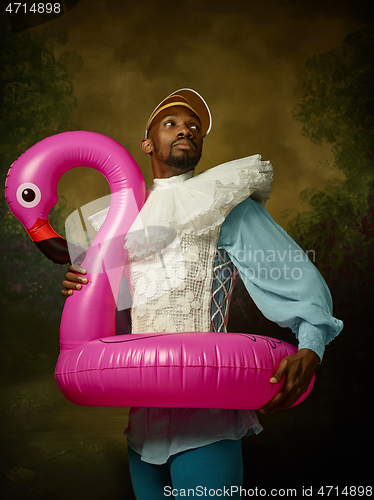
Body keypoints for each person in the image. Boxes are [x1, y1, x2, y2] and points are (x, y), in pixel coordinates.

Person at [61, 89, 343, 499]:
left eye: (195, 127)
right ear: (147, 143)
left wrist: (312, 346)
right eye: (171, 124)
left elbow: (292, 273)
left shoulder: (223, 203)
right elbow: (113, 316)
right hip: (141, 426)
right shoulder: (119, 219)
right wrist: (78, 285)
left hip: (206, 422)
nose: (186, 130)